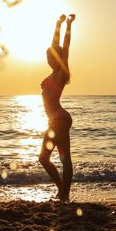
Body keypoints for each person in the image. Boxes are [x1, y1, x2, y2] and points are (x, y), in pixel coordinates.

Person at [39, 13, 75, 202]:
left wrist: (68, 26)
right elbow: (56, 44)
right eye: (46, 56)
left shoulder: (61, 73)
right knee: (47, 158)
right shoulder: (53, 74)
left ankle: (64, 193)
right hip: (56, 119)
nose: (47, 59)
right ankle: (63, 192)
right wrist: (57, 24)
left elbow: (65, 48)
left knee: (61, 158)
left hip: (59, 119)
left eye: (50, 56)